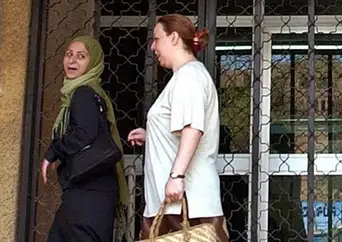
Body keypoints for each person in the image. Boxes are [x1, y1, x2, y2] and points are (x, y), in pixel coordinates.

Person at [127, 14, 228, 242]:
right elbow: (183, 128)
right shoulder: (188, 75)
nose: (153, 47)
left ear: (173, 38)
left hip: (184, 203)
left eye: (156, 39)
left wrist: (177, 176)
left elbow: (193, 128)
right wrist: (153, 135)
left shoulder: (188, 76)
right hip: (180, 202)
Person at [42, 35, 131, 242]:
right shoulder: (87, 93)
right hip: (86, 192)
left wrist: (53, 152)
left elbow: (85, 132)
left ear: (93, 62)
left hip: (89, 194)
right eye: (69, 54)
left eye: (81, 56)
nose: (72, 61)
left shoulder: (83, 93)